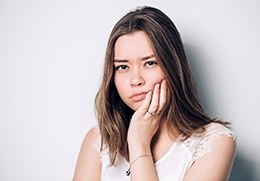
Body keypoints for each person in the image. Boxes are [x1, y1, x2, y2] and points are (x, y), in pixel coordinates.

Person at [73, 6, 236, 181]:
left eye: (149, 63)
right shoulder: (98, 141)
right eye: (122, 67)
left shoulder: (215, 142)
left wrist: (139, 144)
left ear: (172, 66)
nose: (135, 80)